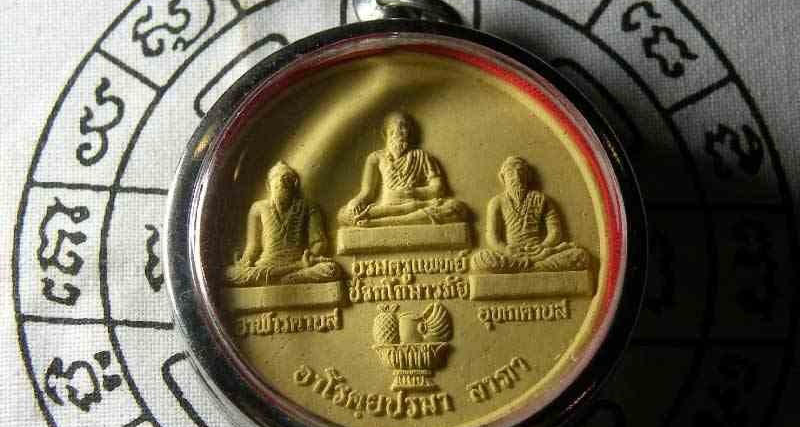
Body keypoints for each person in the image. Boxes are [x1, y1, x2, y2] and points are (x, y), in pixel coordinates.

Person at [338, 111, 468, 227]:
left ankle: (381, 223)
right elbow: (367, 193)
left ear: (409, 132)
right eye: (393, 128)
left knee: (457, 207)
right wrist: (355, 202)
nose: (399, 131)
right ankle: (388, 217)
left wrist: (412, 192)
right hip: (386, 207)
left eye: (403, 126)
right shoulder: (376, 158)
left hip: (415, 205)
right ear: (386, 133)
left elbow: (438, 188)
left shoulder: (421, 156)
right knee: (344, 214)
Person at [224, 161, 341, 285]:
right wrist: (245, 261)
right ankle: (287, 276)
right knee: (228, 273)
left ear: (294, 184)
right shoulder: (258, 208)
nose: (280, 183)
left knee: (331, 269)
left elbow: (319, 242)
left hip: (298, 262)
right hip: (268, 265)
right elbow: (253, 247)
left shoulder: (308, 206)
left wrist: (311, 254)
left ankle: (281, 277)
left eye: (285, 180)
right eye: (276, 182)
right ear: (268, 186)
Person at [471, 155, 590, 272]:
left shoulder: (542, 199)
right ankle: (535, 266)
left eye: (521, 172)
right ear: (503, 178)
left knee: (580, 255)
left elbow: (555, 232)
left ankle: (525, 266)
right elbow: (492, 238)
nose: (517, 177)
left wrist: (543, 246)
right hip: (512, 254)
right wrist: (507, 250)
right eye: (510, 173)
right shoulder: (497, 202)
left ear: (528, 176)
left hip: (540, 251)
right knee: (478, 260)